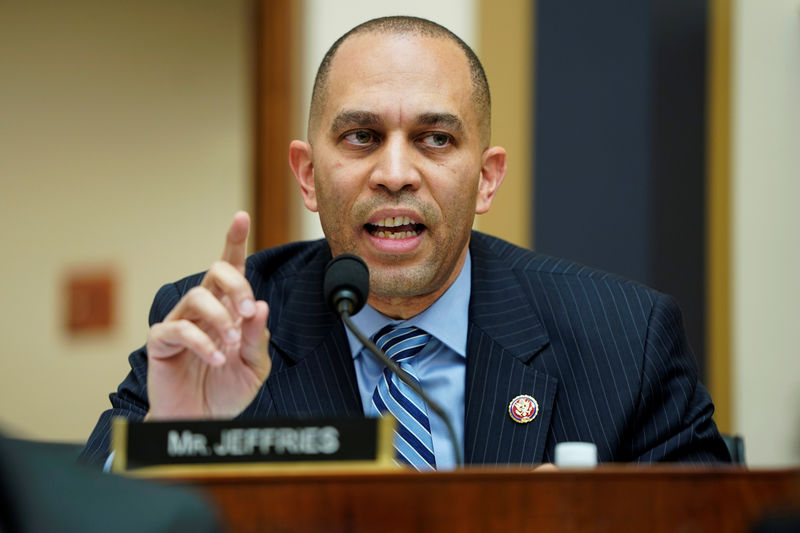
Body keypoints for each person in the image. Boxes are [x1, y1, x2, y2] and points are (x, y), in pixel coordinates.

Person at [80, 16, 730, 470]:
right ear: (307, 175)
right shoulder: (217, 335)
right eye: (361, 136)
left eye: (436, 138)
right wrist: (170, 441)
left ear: (486, 178)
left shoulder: (625, 342)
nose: (394, 173)